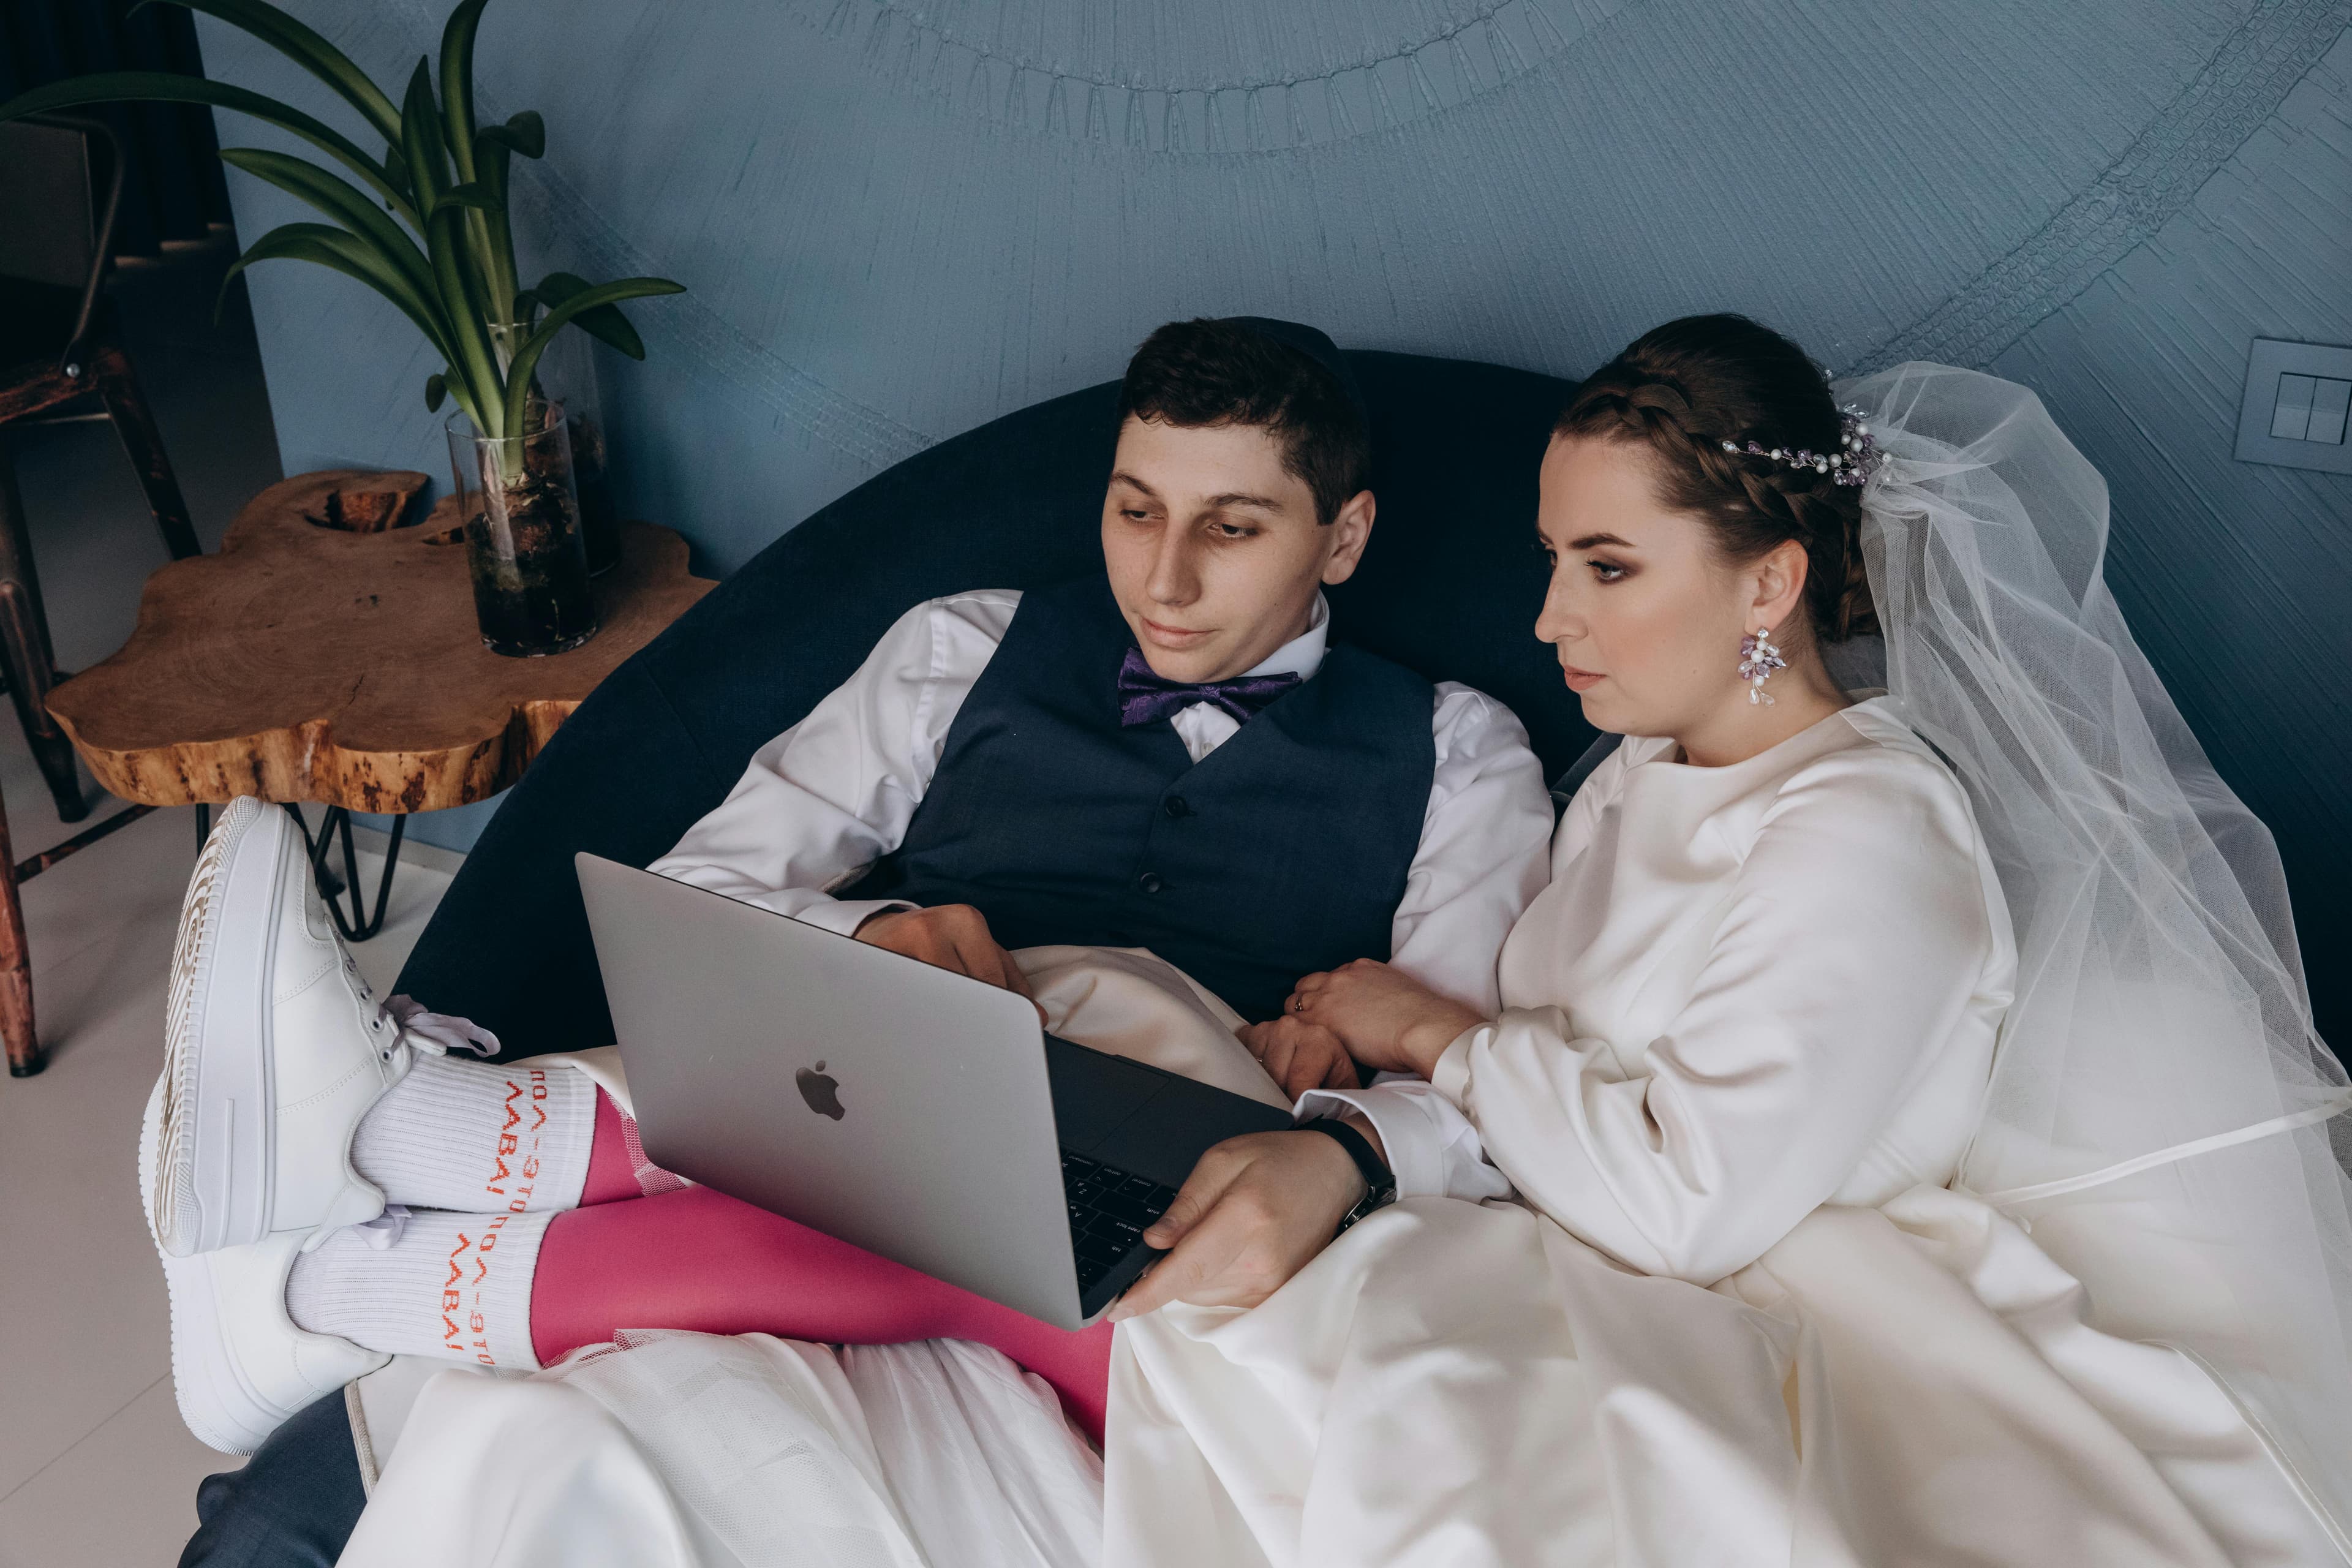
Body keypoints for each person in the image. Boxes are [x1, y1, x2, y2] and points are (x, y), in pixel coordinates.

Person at [331, 315, 2351, 1567]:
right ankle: (442, 1158)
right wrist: (891, 929)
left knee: (1145, 1293)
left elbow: (1614, 1133)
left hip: (1698, 1279)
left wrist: (1386, 1073)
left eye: (1604, 569)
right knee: (1018, 1209)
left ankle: (463, 1199)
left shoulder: (1744, 819)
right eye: (1133, 512)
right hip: (1431, 1181)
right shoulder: (1636, 778)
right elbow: (1515, 1058)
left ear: (1773, 583)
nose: (1550, 622)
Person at [150, 318, 1555, 1487]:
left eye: (1231, 528)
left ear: (1345, 533)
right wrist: (872, 932)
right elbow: (701, 881)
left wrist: (1352, 1108)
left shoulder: (1464, 751)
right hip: (907, 1061)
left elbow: (1458, 1067)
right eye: (1136, 511)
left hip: (1186, 1099)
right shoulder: (969, 642)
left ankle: (378, 1171)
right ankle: (367, 1195)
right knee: (846, 1102)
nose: (1165, 577)